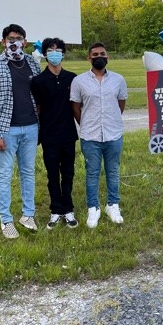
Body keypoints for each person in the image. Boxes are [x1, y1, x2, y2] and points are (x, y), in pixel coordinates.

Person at [0, 23, 41, 239]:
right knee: (4, 174)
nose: (14, 41)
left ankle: (28, 215)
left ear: (25, 41)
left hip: (31, 127)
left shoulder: (33, 64)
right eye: (10, 38)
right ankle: (6, 220)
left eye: (19, 38)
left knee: (28, 172)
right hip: (7, 129)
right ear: (3, 41)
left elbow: (39, 94)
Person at [70, 42, 128, 228]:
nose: (99, 57)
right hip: (90, 135)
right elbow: (76, 108)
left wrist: (111, 120)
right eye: (94, 54)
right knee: (92, 173)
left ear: (108, 56)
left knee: (113, 171)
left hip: (113, 133)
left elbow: (121, 104)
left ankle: (113, 204)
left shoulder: (118, 80)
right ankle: (93, 208)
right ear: (89, 58)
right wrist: (86, 123)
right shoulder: (79, 81)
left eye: (102, 53)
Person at [30, 37, 79, 229]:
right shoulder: (38, 81)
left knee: (68, 173)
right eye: (50, 49)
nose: (54, 53)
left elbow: (76, 106)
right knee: (52, 175)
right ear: (45, 54)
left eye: (58, 49)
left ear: (63, 54)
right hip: (49, 135)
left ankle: (68, 208)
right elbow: (38, 109)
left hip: (68, 134)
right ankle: (55, 210)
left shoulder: (72, 78)